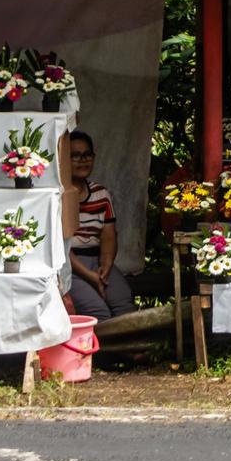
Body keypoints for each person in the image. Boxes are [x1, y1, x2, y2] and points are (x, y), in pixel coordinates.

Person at [62, 130, 133, 321]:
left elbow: (109, 237)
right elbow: (62, 247)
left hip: (98, 260)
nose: (82, 160)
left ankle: (133, 350)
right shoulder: (58, 196)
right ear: (63, 159)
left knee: (123, 303)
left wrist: (105, 266)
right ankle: (107, 351)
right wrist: (90, 276)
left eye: (87, 155)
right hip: (70, 265)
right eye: (75, 156)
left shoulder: (101, 194)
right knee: (97, 312)